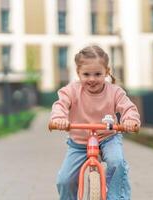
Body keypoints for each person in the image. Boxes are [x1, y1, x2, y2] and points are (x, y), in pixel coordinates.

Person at [49, 45, 141, 200]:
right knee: (65, 180)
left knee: (116, 162)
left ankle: (117, 197)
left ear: (106, 71)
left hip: (108, 137)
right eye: (86, 74)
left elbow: (128, 108)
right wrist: (59, 118)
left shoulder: (115, 92)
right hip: (79, 143)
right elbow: (60, 105)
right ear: (78, 73)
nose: (92, 79)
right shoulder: (71, 91)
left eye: (98, 74)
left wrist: (130, 120)